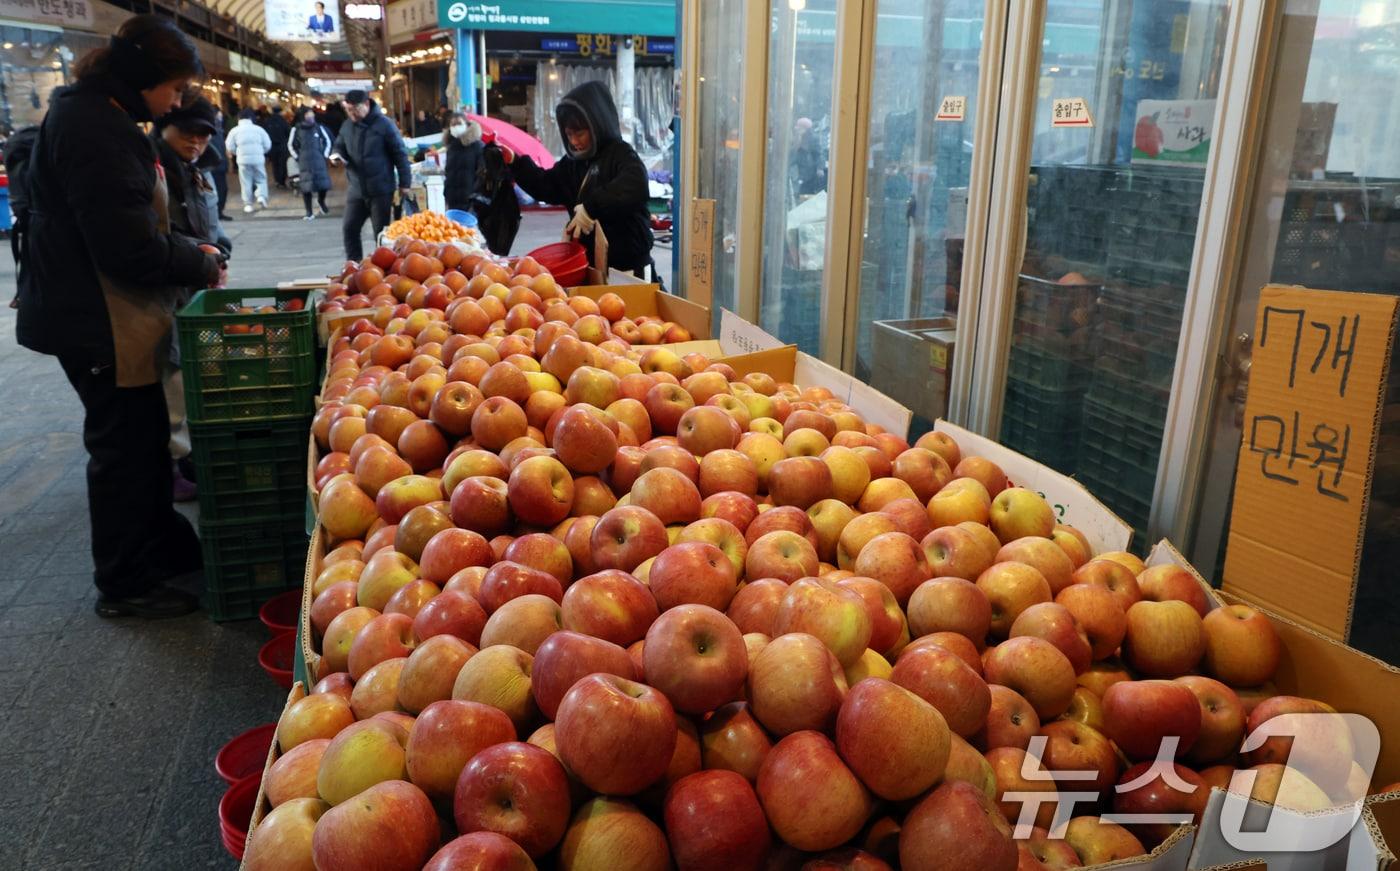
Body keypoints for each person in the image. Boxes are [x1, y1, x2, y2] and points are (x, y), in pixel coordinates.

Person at [17, 14, 223, 618]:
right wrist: (198, 261)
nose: (177, 102)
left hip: (108, 311)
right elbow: (125, 245)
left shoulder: (101, 116)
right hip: (95, 319)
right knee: (122, 446)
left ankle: (158, 548)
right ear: (142, 76)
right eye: (175, 88)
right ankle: (124, 581)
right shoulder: (92, 128)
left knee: (143, 435)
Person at [152, 91, 227, 503]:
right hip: (172, 282)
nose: (196, 142)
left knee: (190, 365)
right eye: (188, 133)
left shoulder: (195, 168)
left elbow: (206, 225)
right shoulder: (157, 166)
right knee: (174, 369)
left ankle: (186, 451)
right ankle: (175, 461)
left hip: (196, 277)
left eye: (203, 135)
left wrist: (220, 250)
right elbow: (162, 232)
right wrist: (204, 258)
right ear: (166, 126)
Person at [508, 81, 655, 279]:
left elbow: (635, 186)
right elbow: (546, 185)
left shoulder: (621, 154)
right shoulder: (573, 163)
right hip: (591, 265)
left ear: (597, 125)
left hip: (629, 269)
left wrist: (591, 207)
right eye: (569, 134)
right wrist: (516, 162)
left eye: (580, 133)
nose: (574, 141)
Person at [331, 89, 412, 262]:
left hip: (381, 189)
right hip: (356, 189)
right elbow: (339, 145)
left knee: (381, 234)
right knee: (349, 228)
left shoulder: (385, 125)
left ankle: (382, 269)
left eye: (355, 109)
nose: (352, 114)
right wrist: (336, 155)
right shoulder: (347, 126)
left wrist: (405, 183)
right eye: (348, 110)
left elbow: (399, 154)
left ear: (367, 104)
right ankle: (354, 265)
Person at [290, 106, 333, 220]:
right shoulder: (296, 129)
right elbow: (291, 145)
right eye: (309, 114)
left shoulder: (318, 127)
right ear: (303, 116)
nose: (312, 115)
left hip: (318, 159)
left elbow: (327, 140)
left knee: (323, 184)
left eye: (312, 113)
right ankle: (309, 212)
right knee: (306, 186)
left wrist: (325, 154)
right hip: (304, 161)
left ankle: (321, 201)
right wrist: (297, 157)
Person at [226, 108, 272, 213]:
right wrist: (261, 152)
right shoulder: (259, 129)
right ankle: (261, 196)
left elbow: (229, 146)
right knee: (261, 178)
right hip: (258, 159)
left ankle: (248, 204)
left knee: (246, 181)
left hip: (242, 160)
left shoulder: (234, 131)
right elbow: (268, 144)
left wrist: (236, 153)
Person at [442, 113, 482, 212]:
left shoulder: (477, 146)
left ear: (467, 125)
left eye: (459, 123)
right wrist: (447, 194)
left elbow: (482, 174)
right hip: (452, 201)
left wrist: (475, 196)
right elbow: (448, 172)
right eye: (453, 124)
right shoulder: (451, 147)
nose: (456, 127)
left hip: (471, 203)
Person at [206, 106, 233, 220]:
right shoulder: (211, 128)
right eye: (220, 113)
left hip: (219, 164)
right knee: (217, 189)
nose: (221, 115)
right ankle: (217, 213)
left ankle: (219, 212)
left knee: (222, 189)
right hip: (214, 165)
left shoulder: (218, 129)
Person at [262, 105, 291, 189]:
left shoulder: (268, 121)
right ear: (281, 112)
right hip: (282, 145)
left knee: (275, 164)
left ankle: (277, 180)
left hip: (272, 146)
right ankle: (282, 181)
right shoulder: (283, 121)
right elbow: (288, 132)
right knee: (283, 164)